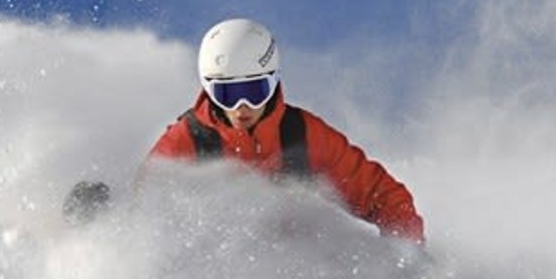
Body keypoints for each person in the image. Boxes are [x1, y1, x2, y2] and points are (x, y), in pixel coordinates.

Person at [145, 18, 425, 244]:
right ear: (208, 89)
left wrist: (407, 252)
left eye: (255, 91)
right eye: (227, 94)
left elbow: (380, 194)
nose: (242, 107)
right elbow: (144, 210)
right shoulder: (189, 140)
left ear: (273, 81)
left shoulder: (301, 134)